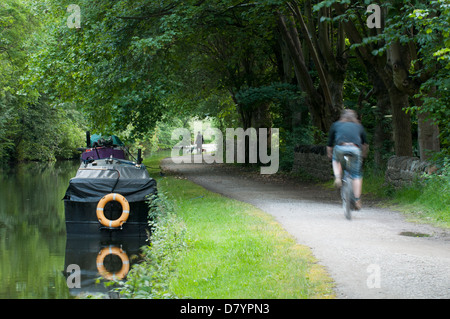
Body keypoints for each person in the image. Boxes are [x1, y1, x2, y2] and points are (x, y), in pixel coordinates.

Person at [327, 109, 369, 210]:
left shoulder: (336, 125)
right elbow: (365, 144)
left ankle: (337, 177)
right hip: (355, 149)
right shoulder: (359, 126)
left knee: (336, 160)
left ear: (342, 116)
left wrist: (329, 153)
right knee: (356, 175)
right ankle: (357, 200)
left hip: (340, 147)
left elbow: (329, 143)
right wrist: (363, 154)